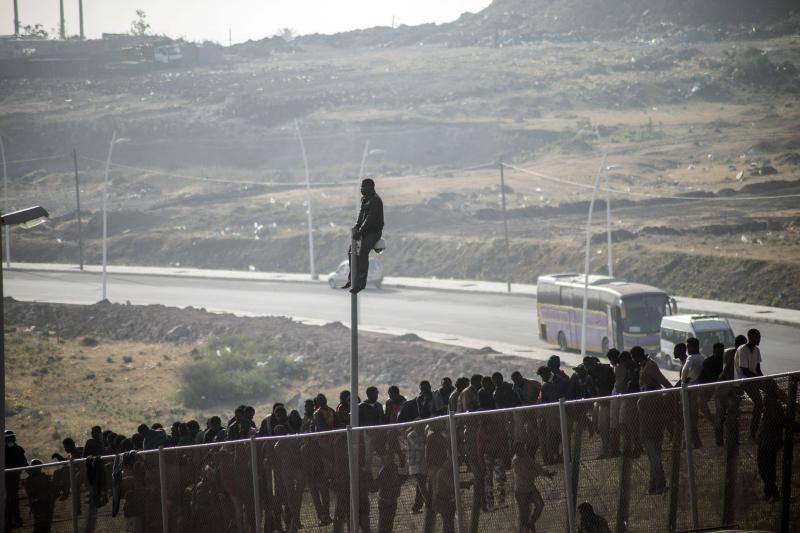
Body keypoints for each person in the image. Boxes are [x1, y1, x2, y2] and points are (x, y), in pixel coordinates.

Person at [343, 177, 384, 294]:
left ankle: (361, 283)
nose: (362, 189)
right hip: (364, 230)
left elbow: (370, 218)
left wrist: (360, 230)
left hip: (374, 231)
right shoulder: (364, 199)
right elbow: (361, 215)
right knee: (351, 251)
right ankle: (352, 279)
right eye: (361, 186)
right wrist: (356, 227)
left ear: (371, 187)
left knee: (363, 252)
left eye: (364, 186)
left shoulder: (376, 200)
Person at [512, 442, 554, 533]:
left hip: (530, 488)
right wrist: (537, 473)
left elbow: (535, 465)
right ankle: (525, 529)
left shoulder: (525, 456)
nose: (522, 450)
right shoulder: (516, 461)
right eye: (520, 448)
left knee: (540, 504)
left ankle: (531, 523)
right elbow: (527, 474)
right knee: (524, 516)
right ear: (516, 450)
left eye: (523, 447)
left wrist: (546, 473)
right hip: (521, 491)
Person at [736, 328, 765, 440]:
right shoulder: (743, 350)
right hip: (746, 381)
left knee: (771, 391)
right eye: (757, 337)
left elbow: (757, 369)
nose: (759, 339)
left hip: (753, 379)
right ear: (751, 337)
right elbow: (744, 371)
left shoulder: (756, 350)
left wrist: (763, 379)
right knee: (759, 402)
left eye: (759, 337)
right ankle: (753, 431)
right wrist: (758, 379)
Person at [372, 453, 405, 533]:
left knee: (387, 524)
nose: (390, 461)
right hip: (386, 500)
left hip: (390, 500)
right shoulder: (386, 470)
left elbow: (400, 480)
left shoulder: (393, 469)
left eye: (390, 459)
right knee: (385, 524)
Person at [24, 459, 55, 533]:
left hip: (39, 504)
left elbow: (30, 493)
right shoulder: (46, 478)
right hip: (44, 503)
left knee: (39, 524)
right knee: (45, 524)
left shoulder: (30, 480)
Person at [6, 430, 28, 528]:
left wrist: (31, 472)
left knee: (13, 499)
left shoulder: (18, 449)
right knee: (9, 500)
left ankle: (15, 519)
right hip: (5, 479)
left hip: (14, 478)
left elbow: (24, 462)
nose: (10, 439)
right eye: (8, 437)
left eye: (12, 437)